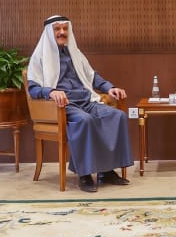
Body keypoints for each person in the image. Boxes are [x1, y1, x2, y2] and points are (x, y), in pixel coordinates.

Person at [27, 16, 133, 193]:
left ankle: (106, 171)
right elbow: (33, 89)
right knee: (85, 120)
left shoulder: (76, 54)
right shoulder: (39, 57)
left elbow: (92, 77)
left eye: (65, 29)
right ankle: (84, 174)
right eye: (57, 29)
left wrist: (110, 88)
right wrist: (51, 92)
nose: (62, 32)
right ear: (49, 32)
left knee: (117, 116)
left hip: (86, 101)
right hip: (63, 106)